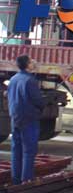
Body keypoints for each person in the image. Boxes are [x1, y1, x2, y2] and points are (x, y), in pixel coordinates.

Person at [7, 55, 45, 185]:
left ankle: (16, 179)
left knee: (16, 149)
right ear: (28, 65)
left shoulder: (13, 79)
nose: (34, 62)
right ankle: (27, 180)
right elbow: (38, 101)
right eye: (31, 61)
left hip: (15, 118)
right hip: (29, 119)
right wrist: (42, 105)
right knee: (29, 150)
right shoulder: (30, 80)